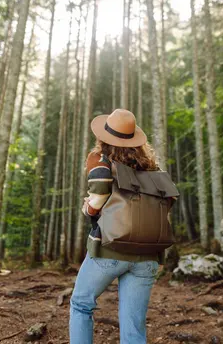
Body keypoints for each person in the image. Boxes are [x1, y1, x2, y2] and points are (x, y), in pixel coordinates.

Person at [69, 109, 163, 344]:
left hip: (111, 249)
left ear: (104, 137)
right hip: (148, 255)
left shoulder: (101, 161)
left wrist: (88, 209)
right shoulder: (152, 170)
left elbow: (98, 196)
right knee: (133, 325)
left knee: (81, 304)